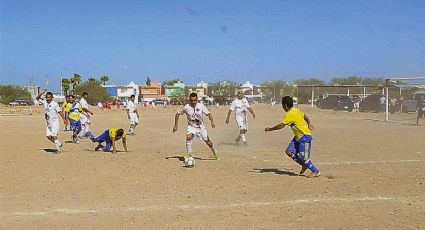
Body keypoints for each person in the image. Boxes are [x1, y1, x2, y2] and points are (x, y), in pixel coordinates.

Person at [265, 96, 320, 178]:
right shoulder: (295, 110)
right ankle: (304, 165)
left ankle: (315, 171)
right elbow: (304, 116)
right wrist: (309, 123)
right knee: (289, 151)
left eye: (282, 106)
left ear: (286, 105)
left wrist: (270, 129)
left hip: (304, 136)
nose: (282, 108)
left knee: (303, 157)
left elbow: (281, 125)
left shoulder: (289, 114)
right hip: (298, 137)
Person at [173, 92, 220, 161]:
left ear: (197, 99)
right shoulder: (186, 107)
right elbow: (177, 114)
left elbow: (209, 114)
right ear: (189, 99)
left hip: (201, 127)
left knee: (208, 142)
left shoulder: (201, 106)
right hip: (191, 127)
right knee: (188, 137)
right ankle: (189, 154)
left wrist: (212, 122)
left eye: (194, 100)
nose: (193, 102)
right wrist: (176, 125)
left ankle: (216, 154)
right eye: (191, 100)